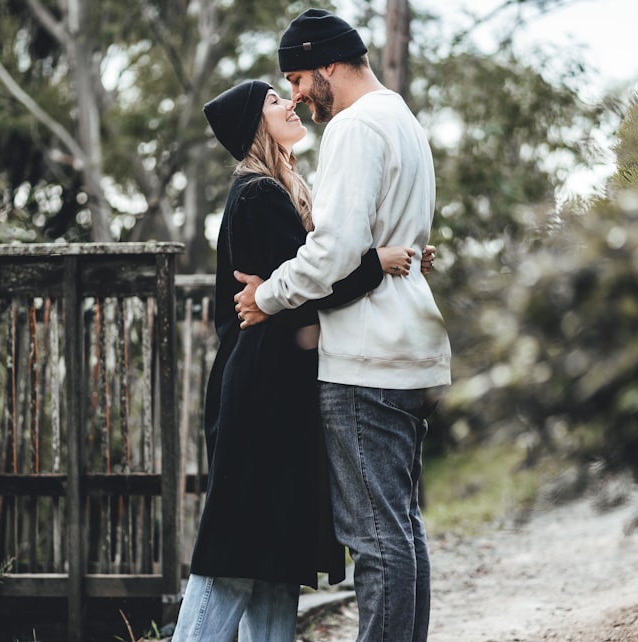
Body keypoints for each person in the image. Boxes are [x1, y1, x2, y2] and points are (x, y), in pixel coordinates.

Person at [232, 8, 453, 642]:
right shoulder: (403, 119)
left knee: (376, 540)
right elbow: (405, 244)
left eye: (299, 78)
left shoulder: (356, 128)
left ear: (329, 63)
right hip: (412, 352)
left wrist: (268, 296)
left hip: (365, 359)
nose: (296, 94)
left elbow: (333, 251)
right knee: (403, 529)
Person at [173, 79, 418, 642]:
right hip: (261, 396)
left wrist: (388, 251)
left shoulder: (278, 192)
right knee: (235, 555)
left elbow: (305, 276)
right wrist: (375, 264)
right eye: (274, 101)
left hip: (278, 389)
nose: (290, 103)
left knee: (274, 560)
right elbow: (309, 286)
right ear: (257, 127)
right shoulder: (257, 194)